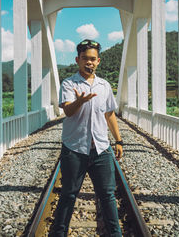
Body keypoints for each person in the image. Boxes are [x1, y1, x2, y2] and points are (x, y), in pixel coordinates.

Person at [49, 39, 123, 237]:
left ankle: (116, 234)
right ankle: (59, 233)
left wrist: (118, 140)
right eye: (85, 59)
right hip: (75, 149)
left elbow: (109, 114)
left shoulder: (104, 85)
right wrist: (79, 101)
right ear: (77, 60)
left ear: (98, 61)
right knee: (68, 194)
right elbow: (68, 112)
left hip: (101, 149)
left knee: (107, 195)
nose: (89, 62)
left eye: (92, 59)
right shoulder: (69, 83)